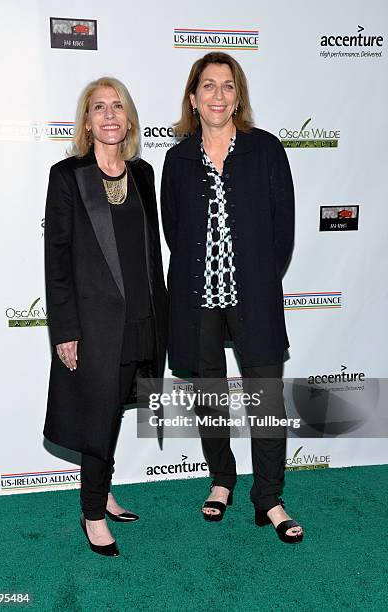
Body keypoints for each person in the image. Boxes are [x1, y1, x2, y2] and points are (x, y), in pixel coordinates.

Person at [161, 52, 303, 543]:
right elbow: (175, 232)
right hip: (198, 298)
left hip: (254, 298)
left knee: (265, 401)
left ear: (237, 96)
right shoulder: (177, 158)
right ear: (193, 98)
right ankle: (222, 479)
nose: (217, 95)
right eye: (208, 86)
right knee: (210, 399)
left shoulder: (266, 150)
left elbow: (282, 231)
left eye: (227, 86)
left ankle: (270, 498)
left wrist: (260, 280)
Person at [44, 77, 168, 556]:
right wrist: (66, 330)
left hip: (141, 317)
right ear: (87, 120)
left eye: (118, 106)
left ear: (130, 117)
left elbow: (150, 252)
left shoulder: (143, 174)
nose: (110, 115)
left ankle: (103, 489)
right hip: (94, 325)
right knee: (96, 413)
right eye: (99, 108)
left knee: (113, 409)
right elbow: (57, 257)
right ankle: (92, 512)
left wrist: (162, 318)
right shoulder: (67, 175)